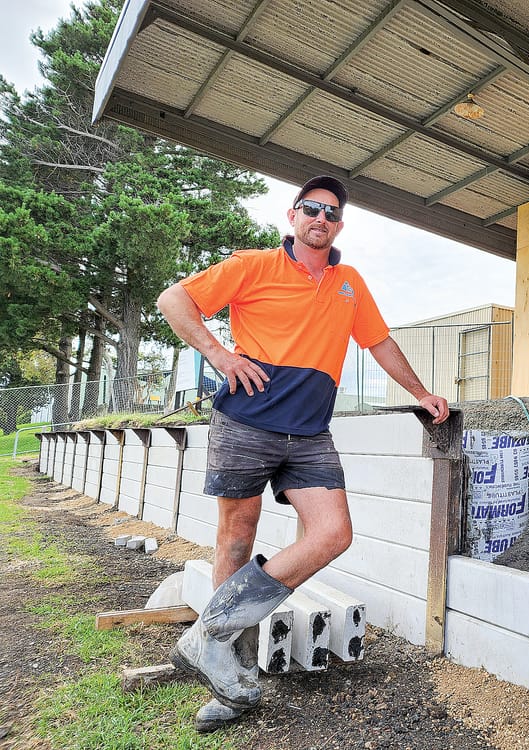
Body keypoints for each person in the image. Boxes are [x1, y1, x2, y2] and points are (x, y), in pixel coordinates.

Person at [157, 175, 449, 732]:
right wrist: (220, 355)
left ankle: (207, 636)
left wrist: (420, 392)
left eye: (332, 213)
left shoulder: (349, 282)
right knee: (236, 541)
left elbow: (379, 341)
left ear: (339, 226)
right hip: (246, 423)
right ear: (292, 216)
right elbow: (174, 300)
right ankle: (232, 687)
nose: (322, 218)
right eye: (312, 208)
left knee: (333, 533)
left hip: (311, 432)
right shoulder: (253, 266)